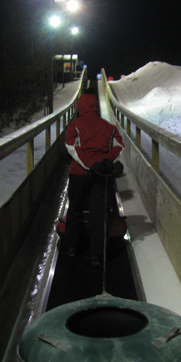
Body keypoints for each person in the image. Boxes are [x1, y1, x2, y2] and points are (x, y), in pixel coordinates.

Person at [64, 93, 124, 264]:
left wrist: (91, 164)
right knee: (99, 212)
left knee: (75, 209)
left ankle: (72, 246)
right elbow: (120, 146)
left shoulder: (75, 125)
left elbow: (71, 148)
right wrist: (105, 161)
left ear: (80, 108)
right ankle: (97, 254)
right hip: (100, 176)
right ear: (96, 107)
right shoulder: (109, 127)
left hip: (79, 174)